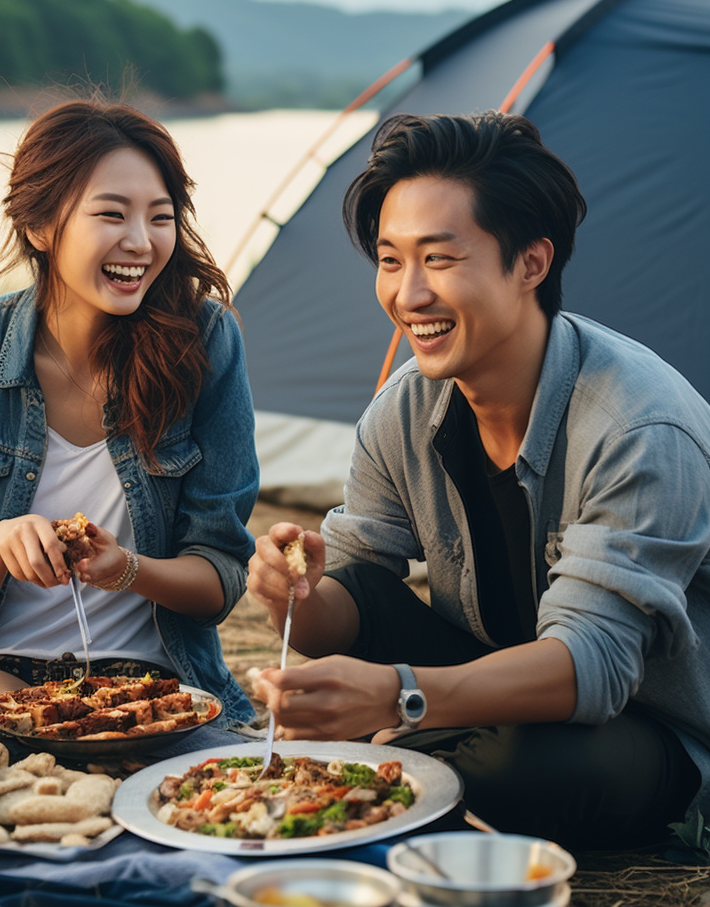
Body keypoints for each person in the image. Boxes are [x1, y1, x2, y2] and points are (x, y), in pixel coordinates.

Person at [248, 110, 710, 849]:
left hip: (654, 725)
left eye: (439, 258)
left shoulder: (638, 427)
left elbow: (591, 665)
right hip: (494, 684)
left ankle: (408, 763)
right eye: (390, 260)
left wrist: (401, 696)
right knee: (361, 592)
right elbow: (352, 597)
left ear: (531, 263)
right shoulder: (405, 407)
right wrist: (295, 597)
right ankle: (417, 763)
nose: (409, 295)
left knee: (519, 767)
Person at [0, 95, 259, 725]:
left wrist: (127, 570)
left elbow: (219, 581)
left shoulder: (204, 342)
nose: (141, 242)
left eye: (160, 216)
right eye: (111, 214)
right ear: (42, 227)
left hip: (154, 677)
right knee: (0, 753)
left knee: (150, 778)